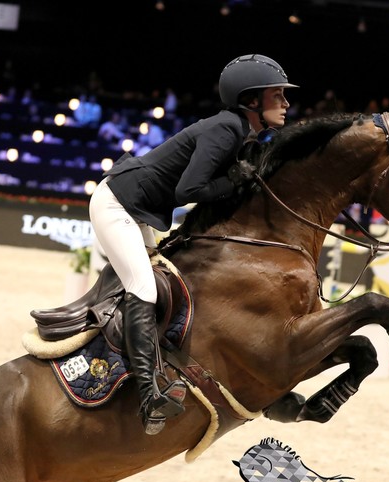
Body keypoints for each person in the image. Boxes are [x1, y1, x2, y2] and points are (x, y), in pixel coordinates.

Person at [88, 53, 297, 435]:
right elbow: (190, 190)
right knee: (143, 288)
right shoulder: (225, 130)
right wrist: (234, 180)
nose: (285, 103)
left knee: (170, 283)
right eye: (277, 95)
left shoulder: (244, 132)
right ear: (252, 100)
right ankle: (150, 394)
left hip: (140, 209)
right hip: (118, 203)